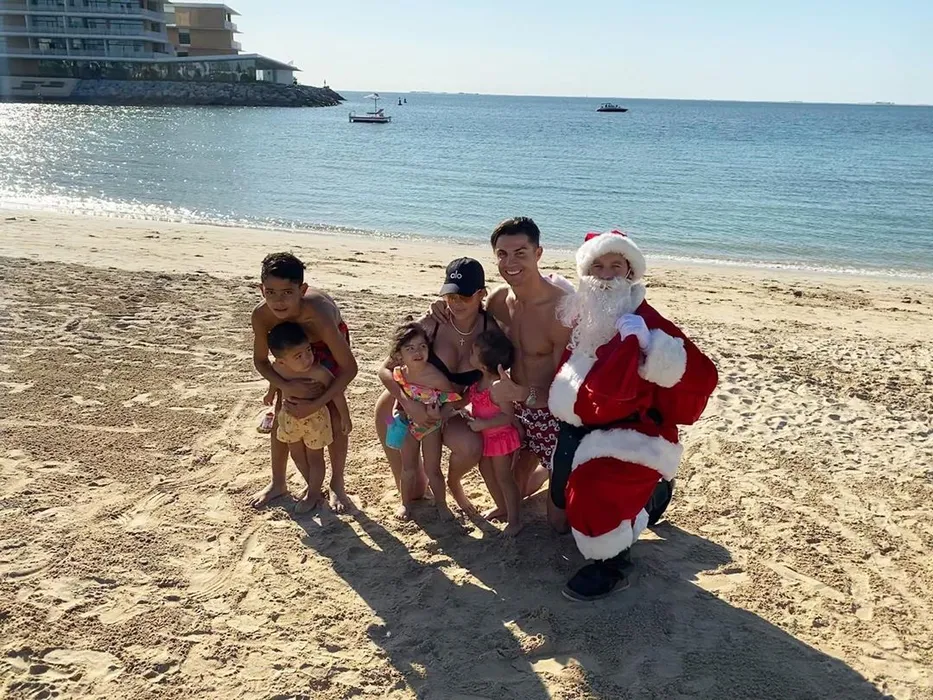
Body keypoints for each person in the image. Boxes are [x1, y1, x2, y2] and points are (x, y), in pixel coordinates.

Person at [548, 230, 719, 601]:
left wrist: (650, 346)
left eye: (616, 266)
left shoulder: (645, 319)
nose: (606, 275)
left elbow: (703, 375)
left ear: (630, 272)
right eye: (597, 266)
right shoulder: (583, 312)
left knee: (592, 491)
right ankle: (653, 496)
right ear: (586, 272)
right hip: (580, 425)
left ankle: (611, 565)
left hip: (633, 432)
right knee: (559, 513)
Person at [374, 258, 496, 516]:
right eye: (450, 296)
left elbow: (490, 381)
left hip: (445, 412)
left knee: (470, 448)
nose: (456, 303)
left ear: (481, 294)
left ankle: (454, 484)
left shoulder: (490, 330)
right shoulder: (432, 323)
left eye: (464, 296)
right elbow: (384, 370)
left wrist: (452, 409)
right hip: (397, 408)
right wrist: (408, 404)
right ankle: (409, 498)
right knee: (413, 489)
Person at [477, 217, 574, 526]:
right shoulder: (497, 301)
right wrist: (437, 313)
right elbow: (467, 328)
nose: (510, 263)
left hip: (551, 415)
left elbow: (567, 389)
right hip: (514, 410)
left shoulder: (560, 311)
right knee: (511, 495)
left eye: (520, 253)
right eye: (502, 254)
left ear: (538, 253)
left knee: (558, 524)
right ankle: (540, 467)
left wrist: (522, 393)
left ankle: (554, 469)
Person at [250, 252, 358, 513]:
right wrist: (286, 386)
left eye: (287, 292)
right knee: (283, 410)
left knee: (333, 413)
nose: (278, 301)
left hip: (327, 345)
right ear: (261, 290)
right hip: (291, 348)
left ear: (303, 290)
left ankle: (337, 483)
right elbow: (261, 361)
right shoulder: (262, 316)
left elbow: (349, 369)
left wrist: (316, 403)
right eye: (271, 292)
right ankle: (278, 482)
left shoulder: (319, 315)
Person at [380, 322, 463, 521]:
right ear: (399, 355)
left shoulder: (435, 376)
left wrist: (440, 414)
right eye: (410, 348)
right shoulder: (399, 373)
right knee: (407, 468)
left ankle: (441, 504)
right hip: (407, 425)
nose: (417, 352)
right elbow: (395, 391)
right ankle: (405, 504)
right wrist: (398, 411)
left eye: (422, 346)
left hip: (430, 427)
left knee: (432, 469)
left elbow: (453, 399)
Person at [267, 322, 350, 513]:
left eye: (308, 350)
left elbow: (337, 393)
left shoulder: (319, 371)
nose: (307, 358)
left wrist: (345, 417)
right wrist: (270, 393)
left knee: (315, 458)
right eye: (298, 356)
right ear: (282, 361)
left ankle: (312, 494)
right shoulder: (278, 368)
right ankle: (313, 486)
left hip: (315, 421)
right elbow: (274, 380)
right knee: (297, 455)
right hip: (289, 418)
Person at [464, 329, 523, 536]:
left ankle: (515, 521)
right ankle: (502, 507)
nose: (469, 353)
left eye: (472, 352)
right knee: (485, 470)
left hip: (500, 438)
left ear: (482, 365)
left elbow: (508, 416)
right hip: (487, 436)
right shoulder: (478, 381)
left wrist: (483, 424)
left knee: (505, 478)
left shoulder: (497, 386)